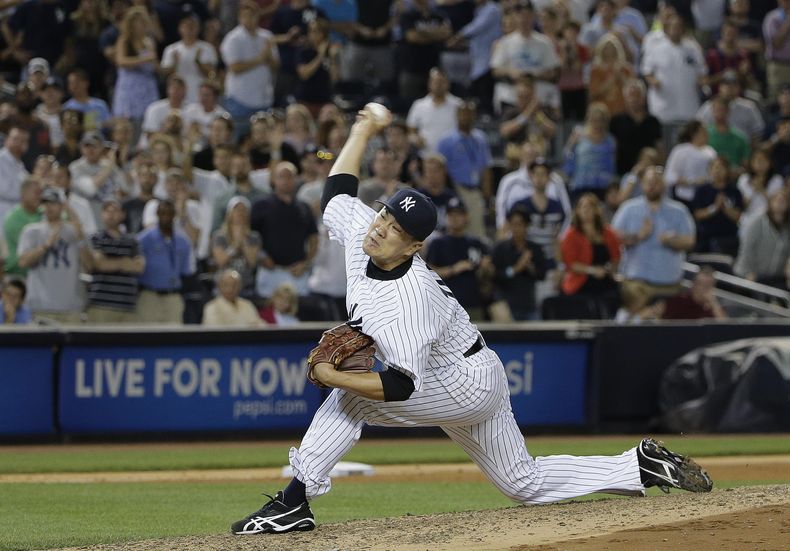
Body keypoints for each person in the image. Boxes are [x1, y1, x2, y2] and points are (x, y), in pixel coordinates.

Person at [230, 104, 712, 536]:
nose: (380, 230)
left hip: (461, 382)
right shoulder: (366, 233)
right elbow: (336, 192)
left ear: (414, 246)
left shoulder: (409, 298)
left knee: (351, 398)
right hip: (474, 370)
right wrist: (361, 131)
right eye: (384, 217)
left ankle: (294, 502)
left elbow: (401, 385)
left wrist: (333, 376)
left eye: (395, 230)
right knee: (522, 482)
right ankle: (638, 466)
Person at [612, 166, 696, 321]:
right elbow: (613, 239)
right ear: (642, 184)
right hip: (637, 284)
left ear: (663, 184)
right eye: (648, 182)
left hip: (669, 285)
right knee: (631, 317)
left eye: (656, 182)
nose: (652, 186)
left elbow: (690, 241)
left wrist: (671, 241)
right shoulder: (628, 209)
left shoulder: (679, 211)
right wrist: (638, 236)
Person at [17, 187, 89, 324]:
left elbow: (89, 263)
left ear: (62, 206)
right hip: (41, 306)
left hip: (70, 307)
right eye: (46, 203)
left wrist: (68, 208)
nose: (49, 207)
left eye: (53, 203)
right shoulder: (31, 231)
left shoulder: (73, 231)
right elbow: (23, 262)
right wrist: (45, 246)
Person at [250, 161, 318, 298]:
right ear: (274, 180)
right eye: (281, 176)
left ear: (296, 179)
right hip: (270, 271)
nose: (286, 180)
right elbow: (251, 236)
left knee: (299, 309)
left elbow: (313, 239)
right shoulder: (261, 205)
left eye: (290, 176)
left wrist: (306, 263)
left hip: (297, 273)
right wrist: (261, 256)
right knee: (268, 309)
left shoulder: (304, 208)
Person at [425, 197, 494, 321]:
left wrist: (486, 268)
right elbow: (428, 274)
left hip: (473, 303)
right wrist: (454, 269)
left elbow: (489, 273)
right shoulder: (437, 243)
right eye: (451, 214)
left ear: (466, 217)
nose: (455, 218)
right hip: (445, 306)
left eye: (458, 214)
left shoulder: (476, 243)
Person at [437, 101, 493, 239]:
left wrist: (487, 195)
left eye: (470, 113)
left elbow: (485, 167)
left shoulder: (480, 138)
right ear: (457, 115)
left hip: (475, 190)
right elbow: (440, 169)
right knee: (454, 231)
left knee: (478, 233)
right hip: (455, 189)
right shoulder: (447, 140)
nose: (466, 117)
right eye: (463, 113)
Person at [559, 193, 621, 318]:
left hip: (605, 280)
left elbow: (616, 257)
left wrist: (610, 268)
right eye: (583, 207)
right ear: (577, 211)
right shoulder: (571, 235)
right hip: (581, 282)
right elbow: (570, 263)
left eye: (590, 207)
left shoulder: (608, 233)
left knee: (616, 296)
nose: (586, 210)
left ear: (597, 210)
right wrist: (592, 270)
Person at [220, 1, 280, 129]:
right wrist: (260, 60)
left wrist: (269, 56)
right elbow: (235, 67)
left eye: (252, 15)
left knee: (264, 137)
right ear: (239, 17)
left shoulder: (267, 36)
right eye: (245, 16)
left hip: (263, 98)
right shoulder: (233, 39)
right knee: (239, 135)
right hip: (240, 98)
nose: (249, 19)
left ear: (258, 16)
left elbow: (276, 67)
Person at [85, 199, 145, 323]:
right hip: (101, 304)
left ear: (123, 215)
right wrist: (124, 262)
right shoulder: (96, 238)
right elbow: (99, 264)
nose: (111, 215)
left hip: (127, 305)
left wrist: (110, 262)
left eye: (115, 211)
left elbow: (139, 267)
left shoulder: (131, 240)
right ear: (102, 215)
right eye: (107, 211)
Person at [136, 199, 195, 324]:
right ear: (157, 214)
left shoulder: (183, 242)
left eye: (169, 213)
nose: (166, 217)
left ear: (174, 215)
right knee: (148, 332)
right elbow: (136, 266)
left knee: (174, 332)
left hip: (173, 296)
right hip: (150, 295)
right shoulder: (144, 239)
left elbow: (185, 272)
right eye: (163, 213)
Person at [640, 15, 707, 124]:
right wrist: (654, 81)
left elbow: (702, 71)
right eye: (673, 27)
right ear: (667, 29)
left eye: (679, 27)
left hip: (688, 103)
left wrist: (702, 82)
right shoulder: (656, 48)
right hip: (664, 104)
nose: (676, 30)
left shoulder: (693, 48)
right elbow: (646, 71)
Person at [491, 205, 546, 320]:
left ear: (527, 226)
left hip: (529, 305)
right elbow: (495, 276)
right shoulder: (500, 248)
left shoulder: (535, 249)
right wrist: (516, 268)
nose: (516, 228)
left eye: (520, 224)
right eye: (513, 224)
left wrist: (529, 266)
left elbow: (541, 275)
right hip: (506, 307)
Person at [734, 189, 790, 288]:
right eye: (777, 200)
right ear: (770, 202)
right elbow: (747, 248)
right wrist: (748, 273)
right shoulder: (757, 221)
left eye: (783, 200)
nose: (780, 203)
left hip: (776, 277)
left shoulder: (787, 227)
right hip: (752, 275)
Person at [112, 6, 160, 121]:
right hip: (129, 86)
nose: (144, 24)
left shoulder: (149, 42)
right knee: (128, 120)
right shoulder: (124, 40)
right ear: (132, 24)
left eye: (145, 21)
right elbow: (121, 61)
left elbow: (154, 63)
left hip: (147, 86)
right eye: (140, 22)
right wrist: (144, 59)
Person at [563, 102, 617, 202]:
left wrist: (612, 186)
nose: (597, 124)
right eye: (594, 120)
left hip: (603, 187)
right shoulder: (578, 135)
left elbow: (612, 165)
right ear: (588, 119)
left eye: (601, 120)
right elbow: (567, 154)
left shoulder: (610, 141)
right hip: (580, 185)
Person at [160, 12, 218, 105]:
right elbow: (164, 75)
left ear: (198, 28)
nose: (189, 29)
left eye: (192, 26)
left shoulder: (207, 48)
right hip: (178, 97)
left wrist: (198, 63)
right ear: (180, 28)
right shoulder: (171, 49)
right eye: (186, 26)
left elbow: (212, 74)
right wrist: (175, 64)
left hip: (199, 96)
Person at [691, 155, 743, 257]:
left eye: (721, 167)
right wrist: (714, 208)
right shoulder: (702, 190)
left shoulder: (734, 191)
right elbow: (697, 214)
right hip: (705, 237)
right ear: (710, 170)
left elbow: (738, 216)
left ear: (727, 170)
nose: (718, 171)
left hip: (728, 237)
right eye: (715, 167)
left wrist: (725, 208)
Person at [211, 196, 262, 300]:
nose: (240, 213)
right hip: (223, 288)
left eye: (244, 210)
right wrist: (235, 246)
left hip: (246, 286)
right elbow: (220, 261)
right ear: (229, 213)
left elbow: (252, 262)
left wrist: (243, 242)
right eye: (237, 209)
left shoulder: (254, 237)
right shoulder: (219, 236)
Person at [406, 68, 462, 153]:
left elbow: (465, 129)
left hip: (452, 155)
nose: (438, 85)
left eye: (441, 82)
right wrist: (415, 138)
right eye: (435, 82)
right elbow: (411, 130)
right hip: (427, 155)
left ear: (448, 84)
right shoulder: (419, 105)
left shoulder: (459, 105)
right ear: (429, 84)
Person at [665, 120, 717, 207]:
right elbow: (669, 176)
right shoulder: (680, 151)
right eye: (703, 131)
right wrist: (691, 181)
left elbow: (714, 174)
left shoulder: (711, 152)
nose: (706, 134)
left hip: (705, 197)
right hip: (684, 196)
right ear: (694, 134)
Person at [643, 267, 728, 320]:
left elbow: (724, 328)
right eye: (700, 284)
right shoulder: (677, 300)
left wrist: (713, 302)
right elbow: (650, 313)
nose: (702, 289)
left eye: (707, 286)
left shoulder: (712, 309)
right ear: (693, 284)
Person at [3, 178, 42, 277]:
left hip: (39, 273)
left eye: (41, 193)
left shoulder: (44, 213)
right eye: (36, 193)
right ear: (23, 195)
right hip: (17, 275)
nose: (40, 197)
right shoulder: (13, 218)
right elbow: (29, 247)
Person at [0, 127, 31, 236]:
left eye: (23, 141)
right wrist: (27, 193)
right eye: (15, 139)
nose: (19, 143)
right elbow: (4, 190)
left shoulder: (20, 165)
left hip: (15, 214)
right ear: (7, 140)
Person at [763, 0, 790, 103]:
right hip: (779, 66)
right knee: (775, 101)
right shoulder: (773, 18)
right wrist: (788, 22)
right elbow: (776, 43)